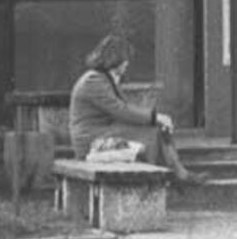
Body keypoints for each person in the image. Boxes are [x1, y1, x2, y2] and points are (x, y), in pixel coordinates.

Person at [68, 34, 207, 184]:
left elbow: (122, 109)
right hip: (92, 140)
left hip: (104, 132)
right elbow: (120, 110)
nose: (127, 64)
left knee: (155, 130)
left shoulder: (103, 79)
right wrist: (155, 117)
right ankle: (162, 179)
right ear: (115, 59)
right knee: (151, 134)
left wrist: (155, 119)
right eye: (125, 59)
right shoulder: (93, 81)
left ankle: (176, 174)